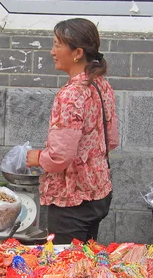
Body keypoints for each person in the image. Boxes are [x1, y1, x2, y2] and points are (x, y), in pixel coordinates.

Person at [26, 18, 119, 244]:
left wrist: (35, 157)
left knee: (66, 270)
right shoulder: (101, 84)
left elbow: (60, 157)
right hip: (98, 191)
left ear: (77, 52)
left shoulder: (71, 94)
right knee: (85, 263)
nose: (52, 51)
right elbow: (112, 140)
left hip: (73, 200)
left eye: (58, 45)